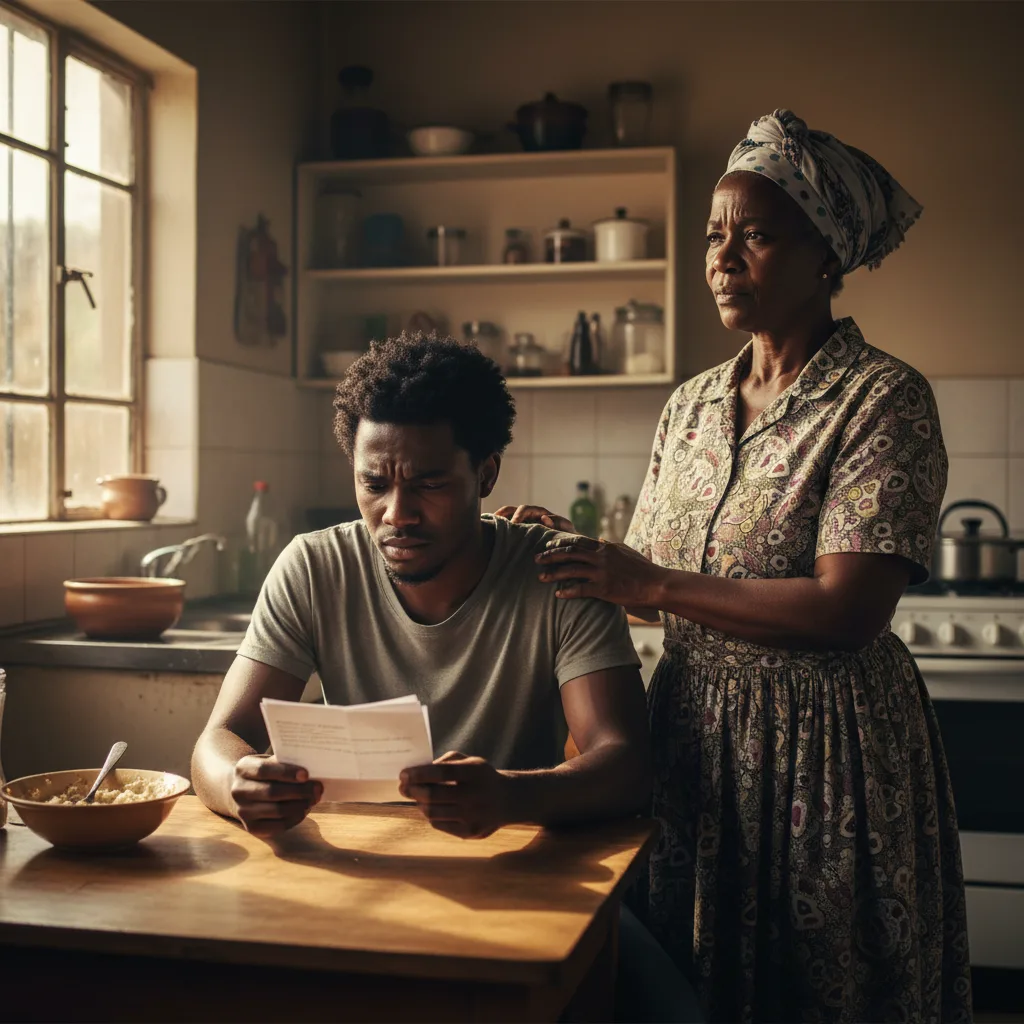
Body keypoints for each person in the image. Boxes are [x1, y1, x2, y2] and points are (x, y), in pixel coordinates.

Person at [498, 110, 972, 1023]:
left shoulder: (882, 397)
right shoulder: (689, 406)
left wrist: (648, 583)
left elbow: (847, 611)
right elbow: (659, 589)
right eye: (715, 235)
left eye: (756, 235)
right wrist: (578, 553)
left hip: (825, 758)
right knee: (690, 986)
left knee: (816, 986)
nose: (722, 257)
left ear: (826, 254)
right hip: (692, 747)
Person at [191, 333, 651, 843]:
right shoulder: (314, 568)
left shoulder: (561, 571)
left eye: (429, 485)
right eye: (374, 485)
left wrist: (511, 796)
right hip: (354, 856)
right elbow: (220, 738)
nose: (397, 514)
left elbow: (626, 763)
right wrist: (238, 784)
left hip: (513, 859)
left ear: (486, 474)